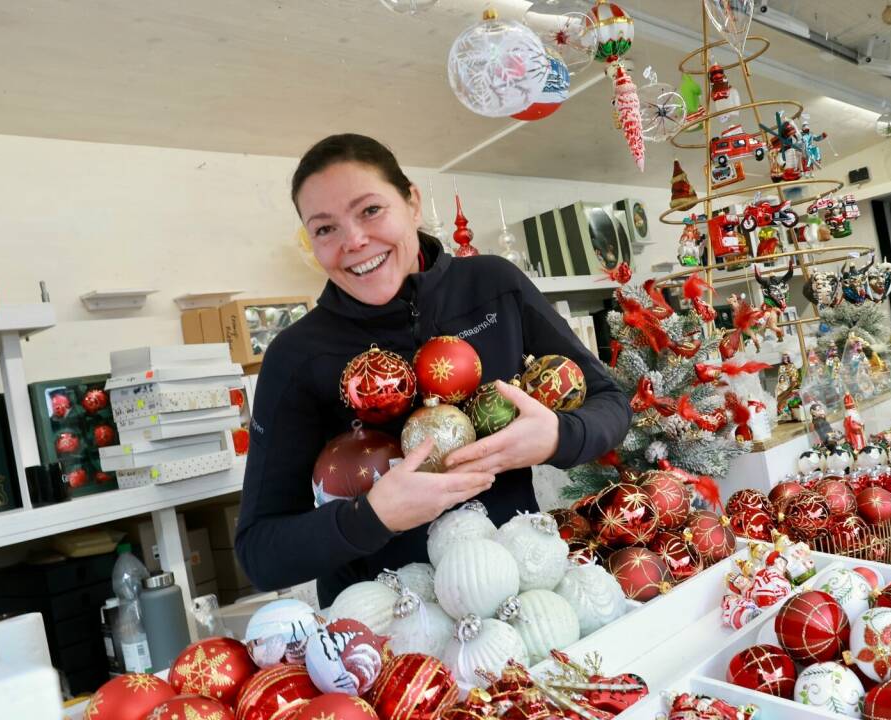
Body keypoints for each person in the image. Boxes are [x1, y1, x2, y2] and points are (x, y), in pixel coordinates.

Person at [235, 134, 632, 604]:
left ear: (412, 202)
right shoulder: (296, 355)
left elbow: (612, 403)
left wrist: (556, 437)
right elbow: (259, 554)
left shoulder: (493, 286)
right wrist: (372, 517)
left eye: (370, 210)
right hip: (387, 634)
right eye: (325, 229)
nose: (354, 241)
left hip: (518, 597)